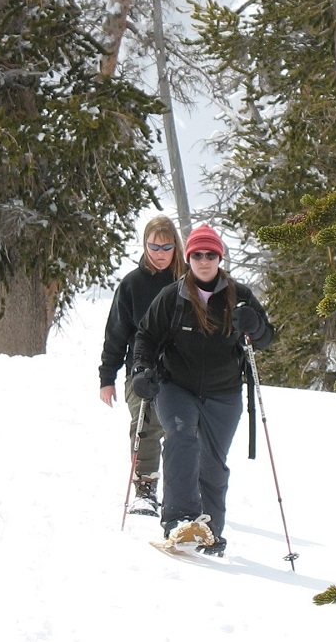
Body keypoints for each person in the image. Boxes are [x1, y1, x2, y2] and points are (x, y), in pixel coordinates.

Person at [131, 223, 274, 556]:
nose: (204, 261)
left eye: (211, 255)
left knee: (213, 462)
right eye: (197, 255)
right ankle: (179, 521)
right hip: (176, 385)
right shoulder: (173, 296)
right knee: (181, 438)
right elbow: (146, 336)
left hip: (224, 393)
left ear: (220, 258)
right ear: (189, 258)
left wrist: (255, 325)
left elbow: (267, 338)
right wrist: (141, 370)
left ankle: (210, 531)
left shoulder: (240, 297)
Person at [99, 215, 186, 517]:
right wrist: (107, 377)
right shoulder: (132, 284)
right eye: (153, 247)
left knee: (183, 429)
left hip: (184, 370)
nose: (160, 254)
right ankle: (145, 488)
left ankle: (185, 492)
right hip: (141, 369)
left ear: (176, 247)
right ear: (145, 246)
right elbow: (116, 333)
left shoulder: (190, 281)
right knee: (145, 423)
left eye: (166, 247)